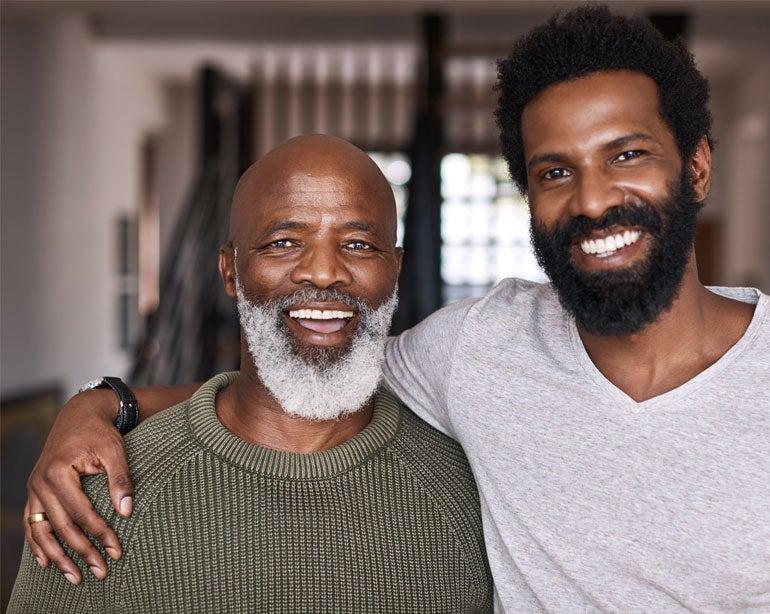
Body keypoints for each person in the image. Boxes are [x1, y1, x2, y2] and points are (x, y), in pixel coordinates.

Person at [21, 5, 770, 612]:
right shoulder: (481, 348)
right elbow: (298, 379)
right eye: (554, 172)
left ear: (698, 165)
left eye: (627, 154)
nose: (594, 199)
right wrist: (101, 404)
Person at [9, 135, 493, 612]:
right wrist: (94, 402)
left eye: (358, 244)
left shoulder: (472, 495)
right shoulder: (97, 497)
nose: (323, 272)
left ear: (396, 269)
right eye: (283, 242)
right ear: (230, 271)